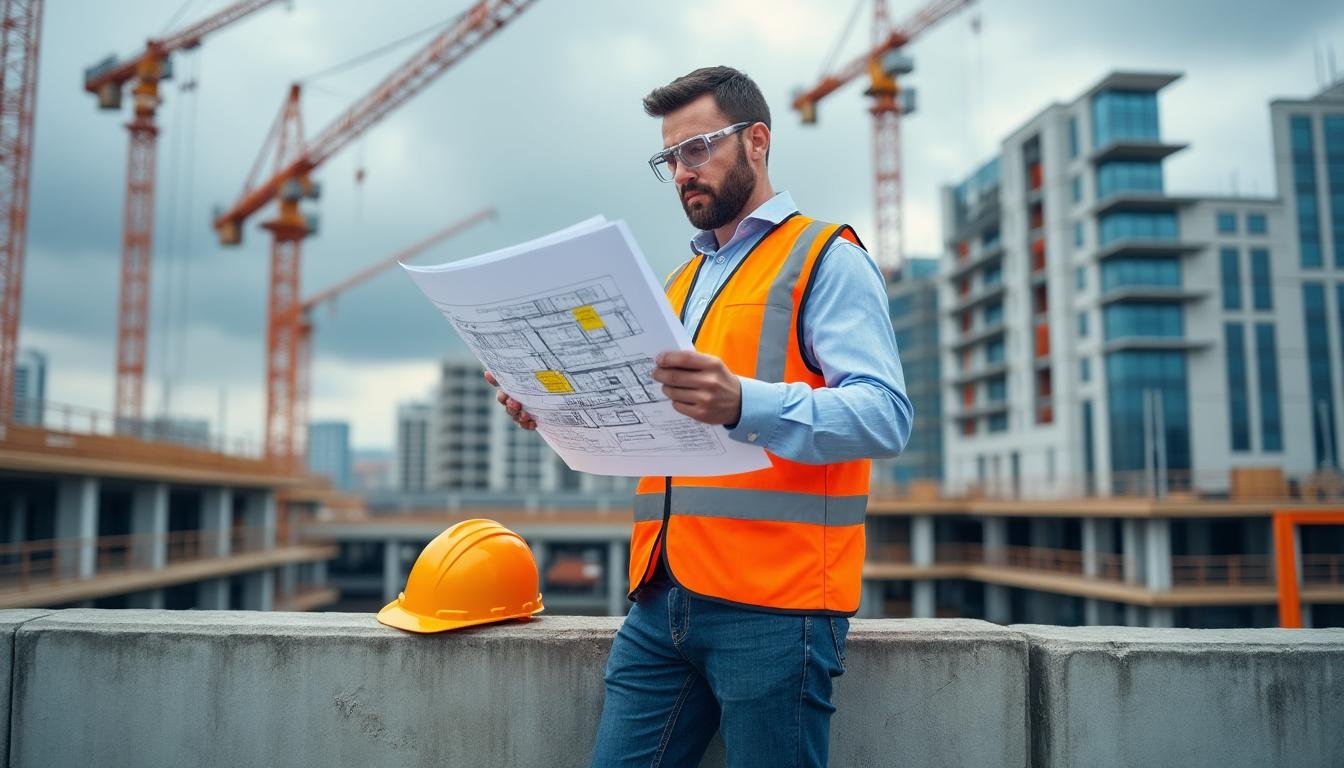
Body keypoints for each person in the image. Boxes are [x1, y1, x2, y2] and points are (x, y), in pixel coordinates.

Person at [489, 65, 912, 768]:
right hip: (661, 599)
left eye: (697, 149)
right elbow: (652, 417)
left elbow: (884, 415)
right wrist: (554, 405)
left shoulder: (826, 258)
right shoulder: (680, 283)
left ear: (756, 141)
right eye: (669, 158)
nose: (682, 172)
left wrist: (745, 401)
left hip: (776, 608)